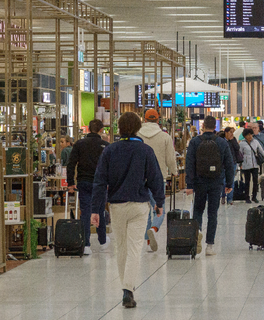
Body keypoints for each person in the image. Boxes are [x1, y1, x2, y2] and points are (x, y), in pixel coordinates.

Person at [91, 112, 165, 308]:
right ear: (138, 128)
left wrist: (95, 210)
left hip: (116, 205)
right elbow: (155, 178)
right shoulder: (146, 151)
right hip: (139, 205)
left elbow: (99, 181)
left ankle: (127, 287)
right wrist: (159, 202)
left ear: (119, 128)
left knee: (121, 248)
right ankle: (128, 289)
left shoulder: (109, 150)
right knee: (134, 248)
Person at [185, 116, 235, 256]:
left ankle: (197, 236)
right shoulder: (221, 142)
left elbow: (189, 164)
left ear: (203, 126)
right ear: (215, 127)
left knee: (198, 211)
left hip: (199, 182)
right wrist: (229, 183)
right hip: (216, 182)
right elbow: (229, 164)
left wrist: (189, 184)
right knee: (212, 213)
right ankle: (210, 246)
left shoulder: (195, 142)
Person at [67, 120, 110, 255]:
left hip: (83, 181)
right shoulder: (105, 146)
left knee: (85, 212)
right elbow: (110, 167)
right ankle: (102, 241)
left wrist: (70, 182)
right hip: (100, 183)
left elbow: (71, 163)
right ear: (101, 130)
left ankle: (86, 244)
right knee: (100, 210)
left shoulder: (79, 144)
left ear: (89, 129)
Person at [137, 108, 178, 252]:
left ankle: (148, 242)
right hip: (158, 177)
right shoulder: (164, 136)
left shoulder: (137, 135)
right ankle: (154, 229)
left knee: (144, 210)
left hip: (140, 177)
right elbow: (170, 158)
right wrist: (174, 172)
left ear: (144, 119)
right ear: (158, 120)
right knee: (158, 209)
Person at [240, 127, 264, 203]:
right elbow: (240, 154)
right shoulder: (242, 143)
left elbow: (262, 152)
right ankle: (247, 197)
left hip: (255, 164)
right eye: (248, 135)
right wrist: (240, 164)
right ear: (245, 135)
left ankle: (254, 196)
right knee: (247, 181)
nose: (250, 136)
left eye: (251, 134)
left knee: (255, 181)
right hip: (246, 165)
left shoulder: (255, 142)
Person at [221, 127, 243, 205]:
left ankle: (230, 198)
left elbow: (237, 148)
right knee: (223, 181)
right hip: (223, 163)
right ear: (226, 132)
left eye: (232, 132)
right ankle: (223, 196)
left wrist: (233, 140)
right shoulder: (222, 140)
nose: (231, 134)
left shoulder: (233, 140)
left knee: (231, 180)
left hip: (232, 162)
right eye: (230, 132)